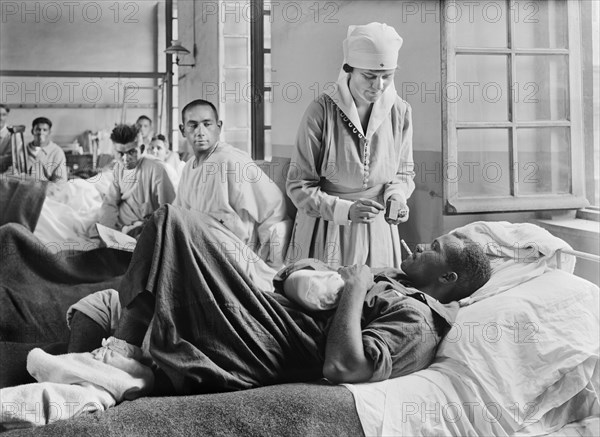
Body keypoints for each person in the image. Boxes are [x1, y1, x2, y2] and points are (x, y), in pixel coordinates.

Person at [0, 205, 491, 427]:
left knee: (175, 224)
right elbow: (308, 278)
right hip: (269, 306)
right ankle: (107, 370)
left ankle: (110, 370)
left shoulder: (418, 317)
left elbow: (345, 367)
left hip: (270, 338)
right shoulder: (394, 278)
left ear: (446, 280)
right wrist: (306, 273)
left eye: (435, 248)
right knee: (120, 290)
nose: (423, 244)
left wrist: (356, 284)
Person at [286, 22, 415, 269]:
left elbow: (403, 173)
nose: (378, 86)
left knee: (376, 297)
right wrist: (345, 211)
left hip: (378, 229)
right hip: (327, 228)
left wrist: (396, 198)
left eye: (387, 77)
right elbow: (298, 185)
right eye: (369, 76)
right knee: (326, 298)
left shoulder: (400, 112)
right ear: (349, 70)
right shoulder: (321, 111)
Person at [174, 99, 290, 269]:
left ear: (219, 127)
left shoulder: (231, 161)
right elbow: (179, 213)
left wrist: (265, 262)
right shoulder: (188, 168)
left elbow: (274, 208)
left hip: (233, 257)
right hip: (197, 250)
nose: (200, 132)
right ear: (182, 130)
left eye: (207, 124)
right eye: (193, 125)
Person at [97, 124, 176, 237]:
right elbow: (110, 203)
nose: (125, 159)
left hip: (144, 230)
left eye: (131, 152)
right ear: (114, 151)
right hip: (120, 227)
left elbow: (170, 211)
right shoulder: (119, 168)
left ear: (142, 149)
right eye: (120, 153)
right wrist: (108, 232)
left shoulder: (157, 170)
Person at [13, 117, 68, 183]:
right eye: (38, 129)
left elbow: (60, 181)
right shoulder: (22, 151)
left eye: (45, 130)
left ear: (49, 132)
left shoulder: (57, 152)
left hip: (48, 191)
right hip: (24, 190)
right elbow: (14, 173)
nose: (41, 133)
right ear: (32, 131)